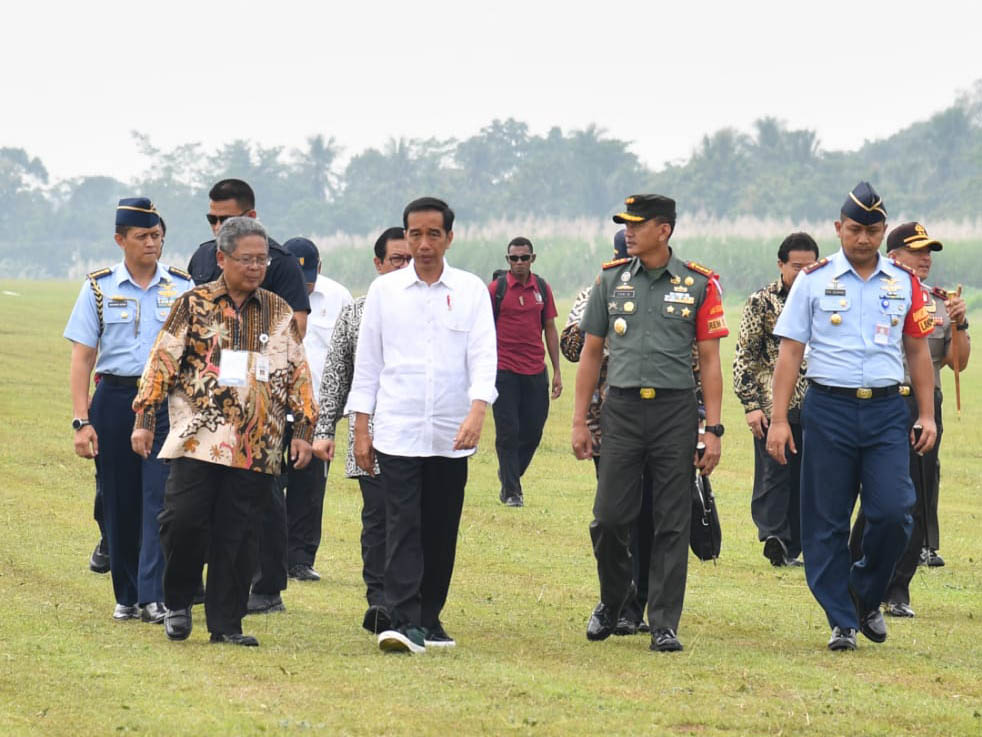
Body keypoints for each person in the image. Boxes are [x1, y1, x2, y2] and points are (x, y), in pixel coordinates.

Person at [766, 182, 938, 651]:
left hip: (886, 409)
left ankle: (865, 593)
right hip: (829, 407)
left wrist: (927, 414)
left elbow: (918, 351)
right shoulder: (813, 279)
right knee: (826, 520)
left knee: (894, 512)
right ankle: (842, 620)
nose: (864, 239)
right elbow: (789, 354)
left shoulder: (905, 283)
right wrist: (779, 419)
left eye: (874, 230)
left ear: (884, 230)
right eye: (856, 230)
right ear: (839, 228)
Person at [131, 217, 317, 647]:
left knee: (240, 533)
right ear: (222, 258)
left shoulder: (278, 310)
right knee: (182, 521)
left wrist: (304, 428)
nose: (256, 268)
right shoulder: (193, 304)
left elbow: (298, 373)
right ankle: (177, 602)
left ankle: (227, 624)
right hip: (199, 438)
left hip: (257, 444)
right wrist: (144, 420)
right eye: (246, 259)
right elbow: (161, 362)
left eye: (262, 260)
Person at [572, 194, 728, 653]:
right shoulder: (610, 279)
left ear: (664, 230)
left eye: (637, 224)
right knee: (608, 519)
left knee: (671, 522)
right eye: (626, 224)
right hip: (621, 410)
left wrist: (713, 430)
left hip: (674, 411)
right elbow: (591, 352)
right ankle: (611, 600)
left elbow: (710, 361)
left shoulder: (699, 284)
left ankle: (663, 623)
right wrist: (580, 421)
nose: (629, 231)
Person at [347, 197, 497, 654]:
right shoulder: (385, 292)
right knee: (402, 524)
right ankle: (404, 619)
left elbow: (484, 356)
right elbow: (368, 364)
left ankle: (430, 617)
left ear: (450, 237)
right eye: (415, 234)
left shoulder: (470, 290)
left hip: (452, 430)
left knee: (440, 526)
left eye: (434, 234)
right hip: (398, 429)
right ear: (405, 236)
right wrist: (360, 429)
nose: (424, 243)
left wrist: (477, 411)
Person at [64, 198, 192, 623]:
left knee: (160, 498)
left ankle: (154, 595)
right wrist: (82, 421)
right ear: (120, 240)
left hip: (166, 402)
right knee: (119, 499)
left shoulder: (181, 286)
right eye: (142, 236)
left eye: (157, 235)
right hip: (116, 400)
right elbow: (83, 357)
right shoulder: (99, 288)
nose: (152, 243)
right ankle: (127, 592)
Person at [848, 222, 970, 616]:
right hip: (879, 400)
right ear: (894, 255)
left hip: (922, 405)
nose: (925, 259)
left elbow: (957, 362)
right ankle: (858, 569)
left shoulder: (938, 302)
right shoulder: (876, 291)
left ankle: (898, 587)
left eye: (929, 252)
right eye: (917, 251)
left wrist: (960, 323)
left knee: (916, 495)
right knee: (877, 497)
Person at [312, 227, 412, 633]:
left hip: (420, 438)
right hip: (368, 434)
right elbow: (337, 375)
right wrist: (323, 429)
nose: (405, 266)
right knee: (378, 517)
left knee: (413, 518)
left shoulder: (435, 307)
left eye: (410, 259)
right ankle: (380, 599)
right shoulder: (357, 311)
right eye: (396, 260)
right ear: (378, 264)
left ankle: (410, 598)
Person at [562, 229, 653, 635]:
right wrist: (600, 318)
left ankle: (639, 604)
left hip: (660, 418)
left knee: (651, 516)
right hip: (608, 423)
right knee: (616, 516)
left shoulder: (667, 290)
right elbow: (570, 347)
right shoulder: (596, 291)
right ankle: (618, 593)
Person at [732, 232, 819, 567]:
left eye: (810, 267)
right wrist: (751, 405)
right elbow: (744, 355)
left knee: (806, 477)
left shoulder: (825, 299)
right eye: (796, 266)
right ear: (781, 264)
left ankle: (796, 544)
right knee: (774, 474)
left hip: (816, 403)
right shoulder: (762, 302)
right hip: (771, 403)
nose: (802, 273)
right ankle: (774, 538)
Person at [278, 237, 352, 582]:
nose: (303, 283)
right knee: (269, 483)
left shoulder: (338, 297)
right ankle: (269, 555)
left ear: (319, 268)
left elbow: (347, 353)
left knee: (310, 490)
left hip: (318, 409)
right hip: (274, 406)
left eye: (309, 275)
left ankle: (300, 558)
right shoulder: (269, 294)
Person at [488, 236, 562, 507]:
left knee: (533, 431)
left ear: (533, 258)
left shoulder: (542, 288)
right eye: (514, 258)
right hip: (503, 370)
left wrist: (556, 370)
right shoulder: (496, 289)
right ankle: (511, 492)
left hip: (535, 370)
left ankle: (509, 474)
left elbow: (550, 329)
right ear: (508, 260)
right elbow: (482, 331)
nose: (519, 263)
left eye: (524, 257)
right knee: (508, 431)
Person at [186, 178, 309, 335]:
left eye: (226, 220)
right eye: (212, 219)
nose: (217, 227)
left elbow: (298, 327)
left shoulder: (282, 262)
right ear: (221, 259)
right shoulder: (201, 256)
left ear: (250, 216)